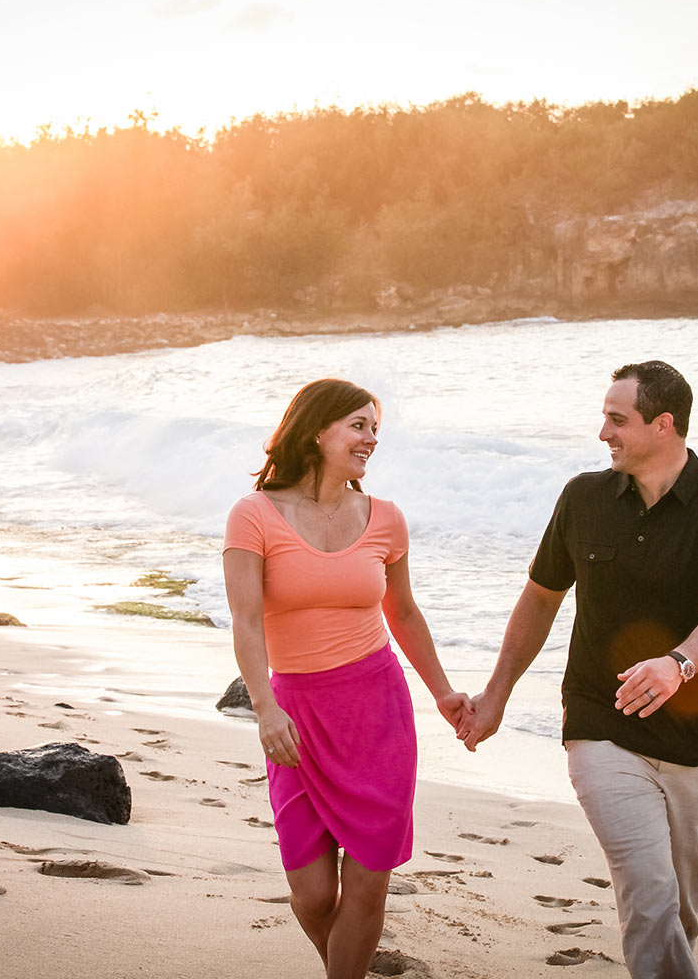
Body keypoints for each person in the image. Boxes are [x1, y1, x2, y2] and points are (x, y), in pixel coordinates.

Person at [458, 360, 698, 979]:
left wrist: (679, 664)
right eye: (604, 418)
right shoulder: (583, 498)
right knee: (649, 894)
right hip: (602, 723)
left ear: (664, 425)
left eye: (617, 420)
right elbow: (540, 598)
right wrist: (496, 695)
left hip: (695, 740)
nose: (603, 433)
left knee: (679, 909)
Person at [223, 378, 471, 979]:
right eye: (358, 426)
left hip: (377, 711)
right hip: (296, 716)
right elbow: (247, 622)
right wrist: (264, 708)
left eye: (374, 428)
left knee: (366, 886)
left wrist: (442, 692)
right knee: (311, 895)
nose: (371, 439)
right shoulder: (254, 515)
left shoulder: (385, 518)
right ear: (317, 431)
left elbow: (404, 612)